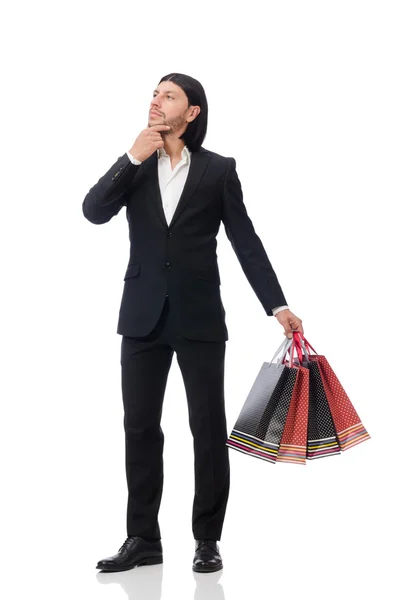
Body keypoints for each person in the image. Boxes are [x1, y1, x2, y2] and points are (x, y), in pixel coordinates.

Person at [82, 72, 304, 574]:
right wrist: (131, 156)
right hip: (140, 317)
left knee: (205, 428)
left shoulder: (218, 170)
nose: (156, 101)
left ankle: (207, 540)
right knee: (139, 427)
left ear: (192, 112)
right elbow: (93, 212)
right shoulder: (135, 167)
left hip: (199, 316)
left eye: (168, 95)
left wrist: (277, 305)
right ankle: (142, 538)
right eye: (154, 94)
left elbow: (246, 241)